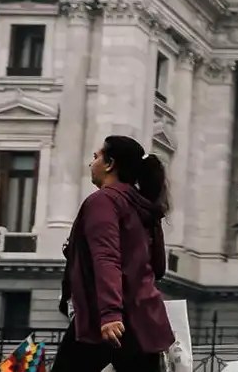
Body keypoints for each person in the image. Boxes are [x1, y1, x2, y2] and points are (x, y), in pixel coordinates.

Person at [55, 135, 173, 372]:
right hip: (144, 320)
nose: (92, 163)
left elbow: (106, 257)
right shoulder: (143, 205)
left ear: (110, 164)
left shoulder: (103, 201)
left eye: (96, 157)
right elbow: (158, 267)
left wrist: (109, 314)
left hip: (105, 320)